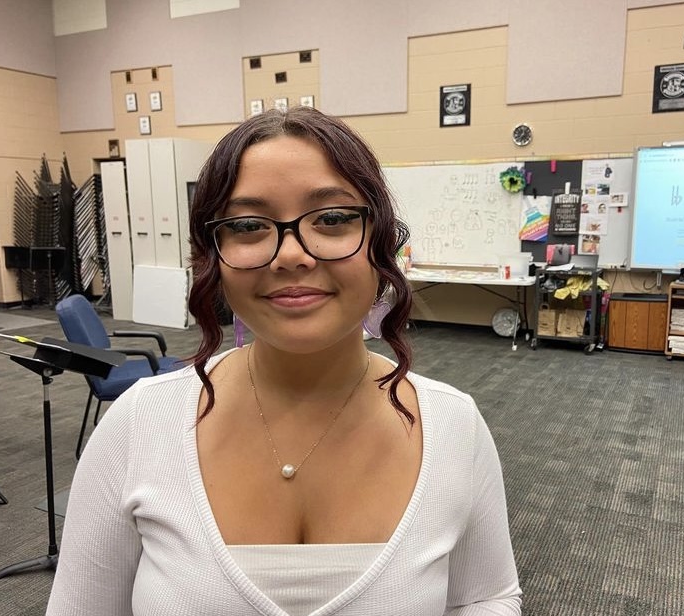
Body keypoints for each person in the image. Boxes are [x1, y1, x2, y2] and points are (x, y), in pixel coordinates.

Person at [47, 107, 522, 615]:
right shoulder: (140, 425)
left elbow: (486, 598)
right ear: (215, 257)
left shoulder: (453, 424)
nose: (291, 255)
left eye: (333, 219)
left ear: (381, 241)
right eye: (249, 225)